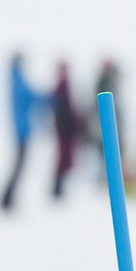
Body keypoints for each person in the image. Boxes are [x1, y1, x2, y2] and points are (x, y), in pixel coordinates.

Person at [0, 52, 42, 212]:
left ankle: (7, 199)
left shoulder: (14, 78)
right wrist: (51, 97)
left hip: (21, 130)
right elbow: (31, 96)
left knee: (19, 166)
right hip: (22, 131)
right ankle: (6, 200)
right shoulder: (18, 80)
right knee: (19, 166)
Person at [50, 60, 80, 199]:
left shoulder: (63, 84)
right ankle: (57, 190)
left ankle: (58, 189)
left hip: (64, 128)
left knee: (64, 159)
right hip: (64, 128)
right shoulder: (62, 86)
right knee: (63, 159)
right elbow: (63, 109)